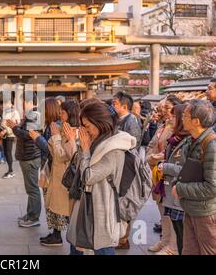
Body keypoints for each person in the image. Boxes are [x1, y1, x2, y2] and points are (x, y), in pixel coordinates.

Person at [67, 100, 137, 255]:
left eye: (87, 126)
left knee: (102, 248)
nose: (85, 130)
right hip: (88, 205)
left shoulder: (113, 148)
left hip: (102, 210)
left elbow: (89, 176)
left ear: (100, 123)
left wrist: (85, 150)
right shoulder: (98, 141)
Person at [30, 99, 77, 246]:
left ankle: (61, 237)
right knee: (54, 205)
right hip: (55, 172)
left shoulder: (70, 130)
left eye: (62, 113)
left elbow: (62, 155)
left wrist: (40, 138)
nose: (60, 115)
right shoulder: (60, 127)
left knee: (62, 209)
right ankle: (57, 235)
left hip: (63, 175)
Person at [172, 100, 216, 255]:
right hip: (191, 208)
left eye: (185, 115)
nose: (182, 117)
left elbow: (212, 187)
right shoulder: (192, 140)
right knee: (189, 250)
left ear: (195, 121)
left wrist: (180, 188)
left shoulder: (211, 145)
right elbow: (187, 171)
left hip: (205, 213)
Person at [147, 94, 182, 253]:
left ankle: (172, 246)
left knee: (170, 213)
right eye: (164, 109)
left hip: (169, 175)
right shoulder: (163, 126)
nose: (165, 112)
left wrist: (161, 157)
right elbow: (152, 145)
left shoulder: (179, 130)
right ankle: (165, 240)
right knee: (162, 211)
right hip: (158, 172)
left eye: (168, 109)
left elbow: (174, 153)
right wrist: (151, 157)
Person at [157, 104, 189, 255]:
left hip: (180, 195)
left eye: (175, 116)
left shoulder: (188, 140)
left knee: (183, 235)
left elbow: (187, 169)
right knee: (177, 229)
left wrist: (167, 167)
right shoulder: (176, 138)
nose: (171, 118)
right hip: (172, 193)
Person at [6, 92, 42, 228]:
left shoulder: (34, 115)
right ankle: (30, 214)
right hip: (28, 154)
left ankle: (34, 217)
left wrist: (14, 127)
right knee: (30, 188)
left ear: (28, 102)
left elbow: (28, 135)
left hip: (30, 155)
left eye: (22, 102)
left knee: (32, 189)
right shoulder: (32, 114)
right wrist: (15, 126)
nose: (21, 104)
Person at [112, 91, 142, 249]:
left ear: (124, 106)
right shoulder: (119, 119)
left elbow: (133, 145)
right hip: (119, 164)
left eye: (115, 103)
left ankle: (124, 238)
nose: (112, 105)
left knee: (125, 201)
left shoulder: (132, 121)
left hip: (127, 166)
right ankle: (120, 236)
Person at [1, 100, 21, 179]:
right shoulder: (4, 112)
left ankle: (11, 171)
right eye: (6, 102)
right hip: (4, 134)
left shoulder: (15, 112)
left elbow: (16, 123)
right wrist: (2, 129)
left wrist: (5, 130)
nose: (6, 104)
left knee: (8, 152)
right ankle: (9, 170)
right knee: (5, 152)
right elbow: (3, 123)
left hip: (11, 134)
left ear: (12, 104)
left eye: (8, 103)